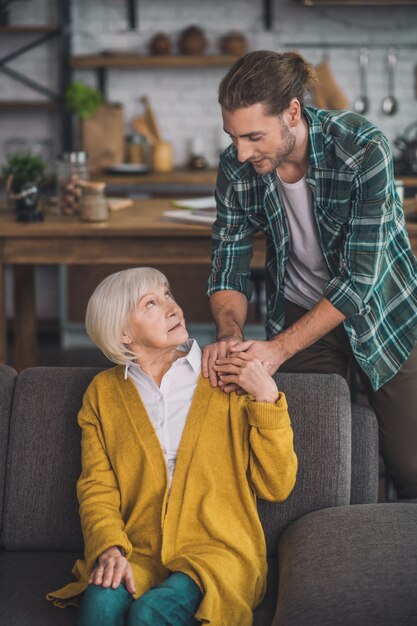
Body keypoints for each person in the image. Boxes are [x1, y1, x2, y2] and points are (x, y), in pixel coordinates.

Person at [203, 50, 417, 500]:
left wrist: (277, 350)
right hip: (302, 314)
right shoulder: (236, 167)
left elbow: (359, 282)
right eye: (233, 136)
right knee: (311, 462)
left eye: (254, 136)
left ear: (292, 113)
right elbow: (229, 262)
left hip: (385, 315)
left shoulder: (362, 148)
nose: (241, 152)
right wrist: (228, 331)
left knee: (409, 463)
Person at [47, 267, 297, 626]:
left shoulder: (226, 375)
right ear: (123, 333)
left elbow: (277, 485)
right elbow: (96, 488)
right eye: (151, 302)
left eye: (169, 295)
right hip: (139, 551)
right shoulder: (103, 394)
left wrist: (267, 398)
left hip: (216, 553)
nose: (172, 307)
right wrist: (109, 548)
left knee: (151, 613)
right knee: (100, 603)